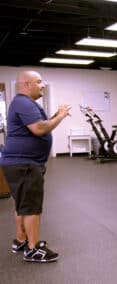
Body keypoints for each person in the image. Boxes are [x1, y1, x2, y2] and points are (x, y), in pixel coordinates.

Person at [0, 70, 71, 263]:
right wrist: (62, 116)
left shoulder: (25, 103)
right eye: (39, 82)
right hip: (24, 164)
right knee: (31, 207)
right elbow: (40, 129)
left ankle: (21, 240)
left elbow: (42, 124)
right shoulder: (23, 102)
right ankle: (32, 249)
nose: (42, 85)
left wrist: (56, 114)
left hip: (20, 163)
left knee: (22, 204)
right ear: (26, 85)